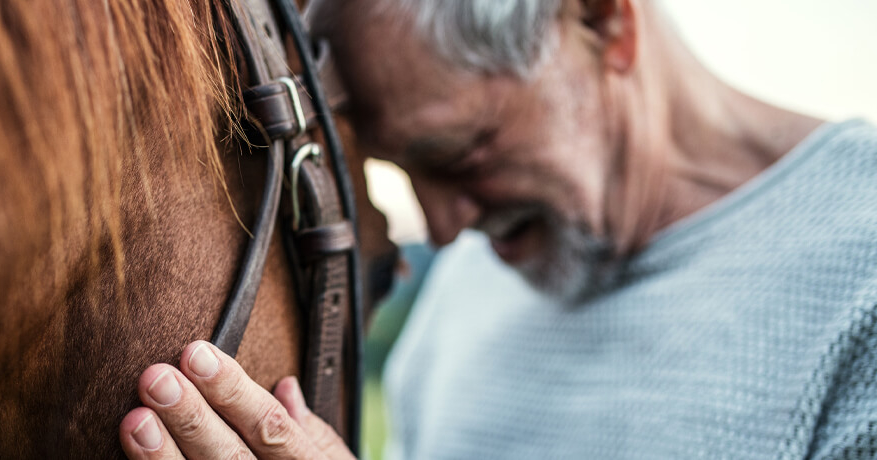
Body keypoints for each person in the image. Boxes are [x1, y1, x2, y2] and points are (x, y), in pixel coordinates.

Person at [117, 0, 877, 458]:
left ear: (600, 21)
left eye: (459, 154)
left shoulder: (859, 284)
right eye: (403, 173)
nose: (445, 233)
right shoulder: (462, 299)